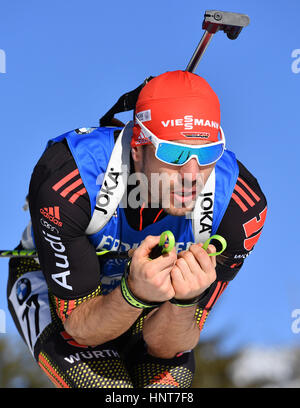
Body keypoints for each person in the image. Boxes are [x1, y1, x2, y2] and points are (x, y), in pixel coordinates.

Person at [7, 70, 267, 388]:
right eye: (174, 153)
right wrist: (134, 293)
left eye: (208, 154)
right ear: (137, 146)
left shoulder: (239, 207)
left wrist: (185, 301)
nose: (192, 174)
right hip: (61, 296)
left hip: (153, 306)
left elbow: (168, 347)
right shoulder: (70, 179)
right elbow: (81, 329)